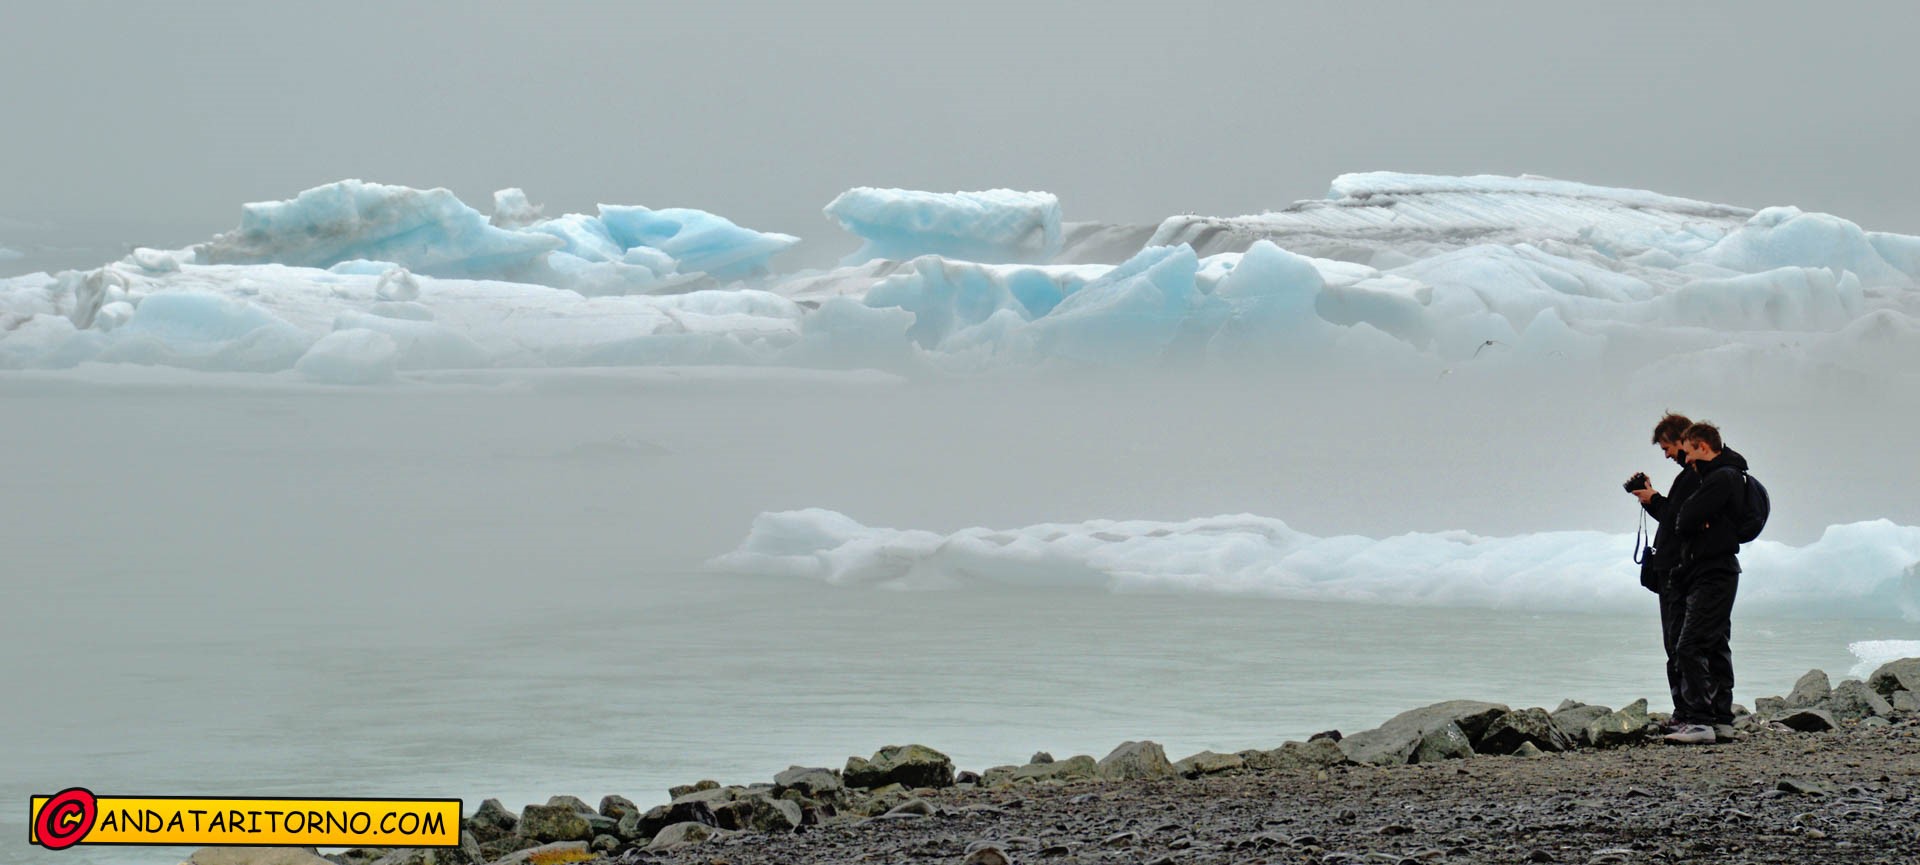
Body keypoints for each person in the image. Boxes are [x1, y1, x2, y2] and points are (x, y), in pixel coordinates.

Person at [1663, 421, 1748, 745]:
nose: (1685, 460)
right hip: (1709, 568)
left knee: (1690, 644)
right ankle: (1720, 719)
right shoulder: (1720, 476)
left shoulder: (1722, 477)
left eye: (1688, 452)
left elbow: (1683, 519)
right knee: (1713, 643)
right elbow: (1686, 517)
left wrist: (1692, 517)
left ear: (1701, 445)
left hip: (1714, 570)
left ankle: (1700, 721)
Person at [1626, 412, 1698, 731]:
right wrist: (1651, 499)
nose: (1667, 455)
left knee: (1679, 644)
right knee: (1679, 644)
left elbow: (1680, 519)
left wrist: (1654, 498)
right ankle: (1689, 711)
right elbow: (1676, 518)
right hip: (1676, 570)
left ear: (1682, 440)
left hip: (1678, 572)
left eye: (1667, 447)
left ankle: (1686, 713)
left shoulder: (1694, 475)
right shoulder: (1694, 476)